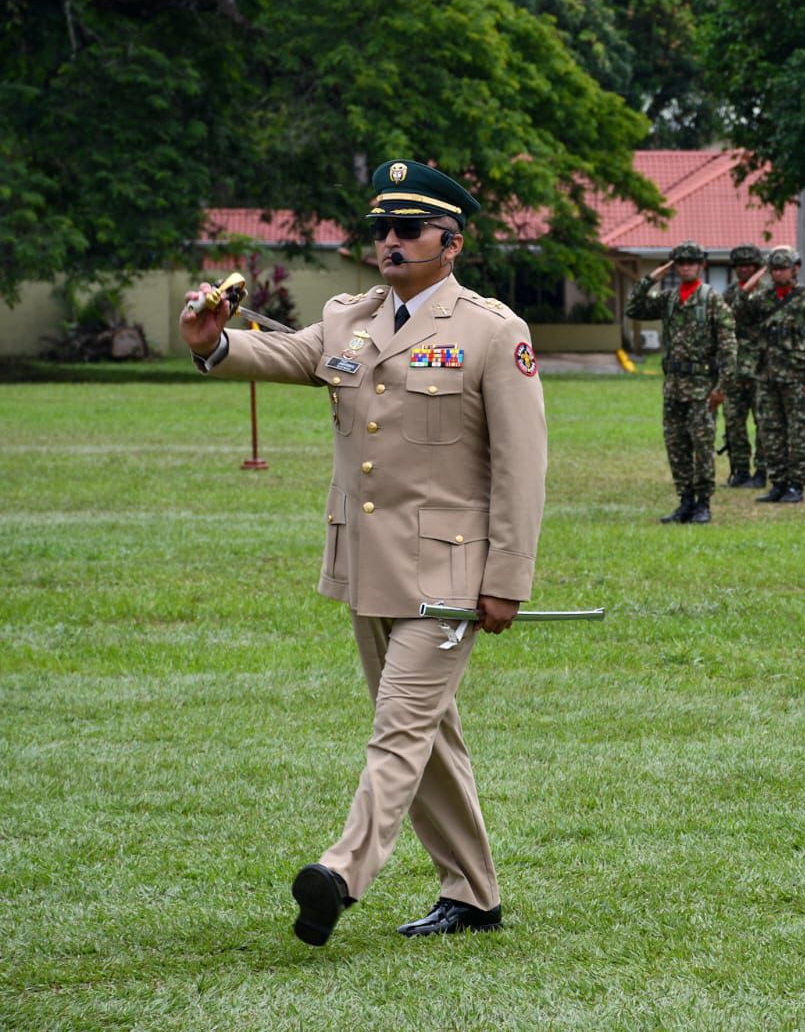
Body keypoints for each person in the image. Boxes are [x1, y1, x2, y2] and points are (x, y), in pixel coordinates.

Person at [179, 160, 547, 944]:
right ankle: (474, 895)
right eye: (381, 227)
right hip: (368, 566)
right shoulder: (351, 316)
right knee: (427, 734)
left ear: (452, 241)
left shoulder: (492, 330)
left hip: (449, 574)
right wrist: (216, 347)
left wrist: (507, 578)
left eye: (408, 228)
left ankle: (341, 873)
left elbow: (523, 466)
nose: (389, 240)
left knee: (399, 728)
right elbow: (291, 355)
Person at [626, 241, 738, 523]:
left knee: (702, 447)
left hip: (702, 388)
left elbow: (728, 348)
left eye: (692, 262)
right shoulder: (669, 299)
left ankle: (703, 503)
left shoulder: (712, 300)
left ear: (701, 266)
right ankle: (685, 500)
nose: (686, 267)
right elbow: (633, 308)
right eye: (681, 263)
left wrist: (722, 388)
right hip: (674, 387)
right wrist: (652, 278)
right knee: (676, 446)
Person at [738, 247, 805, 503]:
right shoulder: (763, 299)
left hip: (798, 379)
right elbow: (737, 312)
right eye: (774, 269)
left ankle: (796, 485)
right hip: (768, 377)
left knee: (798, 433)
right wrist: (751, 283)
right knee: (771, 432)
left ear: (795, 269)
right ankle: (778, 483)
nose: (779, 273)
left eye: (783, 268)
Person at [722, 243, 768, 488]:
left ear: (758, 267)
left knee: (764, 421)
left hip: (762, 367)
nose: (744, 269)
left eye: (749, 265)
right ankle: (740, 470)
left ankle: (762, 470)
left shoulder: (768, 293)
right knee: (733, 421)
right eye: (739, 266)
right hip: (734, 367)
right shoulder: (729, 294)